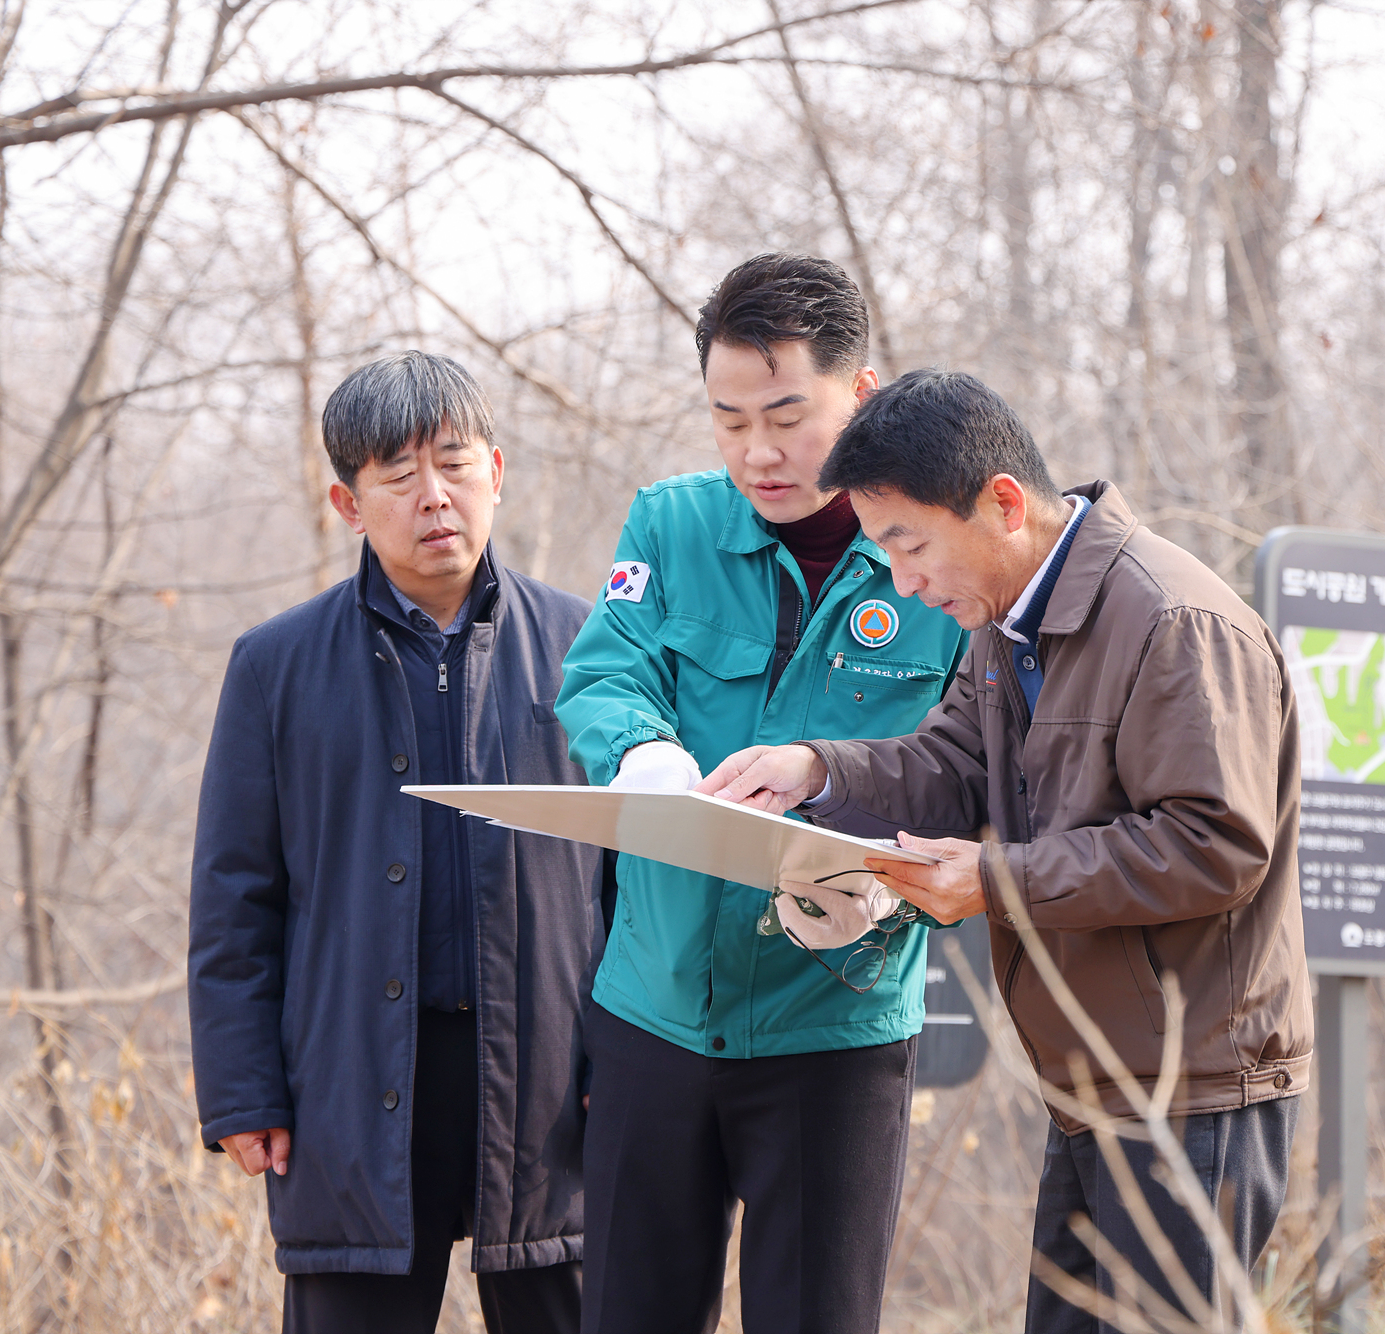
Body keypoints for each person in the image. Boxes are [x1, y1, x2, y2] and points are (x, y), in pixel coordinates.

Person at [699, 368, 1313, 1334]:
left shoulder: (1171, 621)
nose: (902, 581)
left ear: (1003, 504)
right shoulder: (1006, 624)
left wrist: (995, 881)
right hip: (1092, 1083)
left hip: (1195, 1092)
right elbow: (952, 763)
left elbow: (1215, 845)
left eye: (909, 545)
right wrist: (815, 770)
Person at [553, 253, 968, 1334]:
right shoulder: (671, 526)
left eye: (788, 414)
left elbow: (979, 772)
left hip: (835, 1026)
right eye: (728, 419)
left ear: (862, 393)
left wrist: (887, 879)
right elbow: (606, 671)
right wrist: (642, 755)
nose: (759, 452)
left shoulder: (933, 564)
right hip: (654, 1014)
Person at [188, 352, 604, 1334]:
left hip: (548, 1075)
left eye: (456, 466)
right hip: (352, 1074)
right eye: (398, 475)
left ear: (497, 471)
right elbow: (234, 892)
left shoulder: (589, 649)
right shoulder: (275, 665)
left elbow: (638, 883)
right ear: (347, 499)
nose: (434, 498)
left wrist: (621, 1060)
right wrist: (243, 1087)